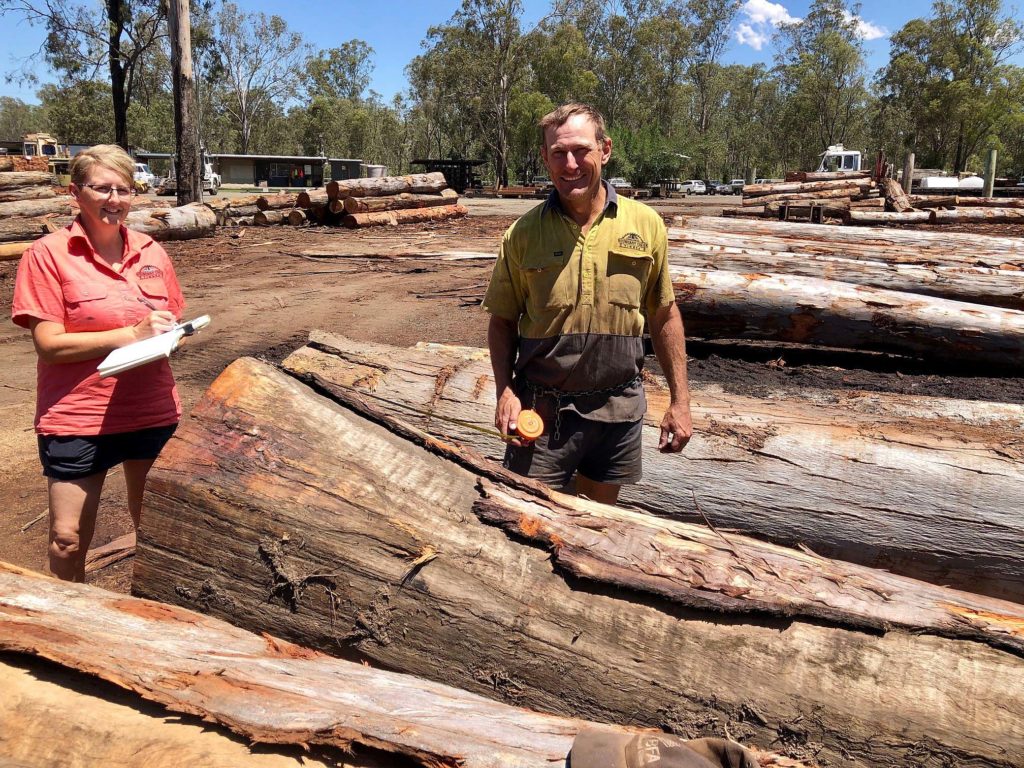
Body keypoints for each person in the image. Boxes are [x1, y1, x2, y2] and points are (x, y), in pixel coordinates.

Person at [483, 103, 691, 505]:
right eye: (558, 153)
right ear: (545, 158)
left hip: (618, 410)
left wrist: (680, 402)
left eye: (581, 150)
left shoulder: (645, 224)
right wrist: (504, 392)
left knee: (597, 528)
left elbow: (664, 314)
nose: (570, 164)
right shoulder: (522, 234)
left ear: (605, 149)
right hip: (541, 417)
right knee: (526, 522)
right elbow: (502, 320)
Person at [12, 144, 185, 582]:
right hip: (77, 415)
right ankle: (74, 622)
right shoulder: (47, 255)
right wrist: (130, 335)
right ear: (75, 192)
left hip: (151, 410)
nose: (114, 199)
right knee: (66, 538)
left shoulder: (151, 252)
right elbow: (49, 345)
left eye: (123, 189)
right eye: (102, 188)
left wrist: (170, 333)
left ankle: (156, 620)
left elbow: (170, 317)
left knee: (160, 531)